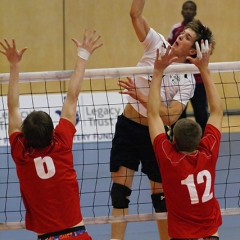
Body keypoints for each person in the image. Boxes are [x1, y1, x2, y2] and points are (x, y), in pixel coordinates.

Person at [110, 0, 215, 239]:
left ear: (192, 50)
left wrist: (140, 96)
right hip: (127, 128)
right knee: (119, 194)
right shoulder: (156, 42)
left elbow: (168, 118)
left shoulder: (187, 79)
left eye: (187, 37)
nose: (180, 36)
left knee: (161, 201)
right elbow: (135, 14)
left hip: (154, 137)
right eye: (182, 33)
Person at [0, 29, 102, 240]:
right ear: (52, 131)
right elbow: (72, 98)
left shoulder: (21, 153)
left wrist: (14, 66)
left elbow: (12, 109)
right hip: (79, 234)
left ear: (25, 137)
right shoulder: (62, 142)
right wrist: (83, 56)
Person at [147, 39, 222, 239]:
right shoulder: (208, 151)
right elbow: (216, 112)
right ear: (200, 141)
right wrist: (204, 69)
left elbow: (153, 114)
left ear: (173, 142)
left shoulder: (169, 159)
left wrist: (158, 70)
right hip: (210, 236)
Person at [168, 1, 209, 135]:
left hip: (198, 80)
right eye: (186, 8)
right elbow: (170, 49)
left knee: (202, 115)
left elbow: (207, 51)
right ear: (182, 11)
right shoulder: (175, 29)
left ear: (195, 12)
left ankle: (203, 142)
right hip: (178, 80)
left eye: (191, 9)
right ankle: (177, 142)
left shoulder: (203, 30)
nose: (188, 11)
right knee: (179, 117)